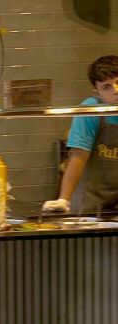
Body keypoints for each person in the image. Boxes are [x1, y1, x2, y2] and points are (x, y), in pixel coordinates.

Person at [43, 55, 118, 213]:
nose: (116, 91)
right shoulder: (90, 110)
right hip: (90, 204)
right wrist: (64, 199)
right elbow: (79, 157)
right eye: (107, 87)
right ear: (96, 91)